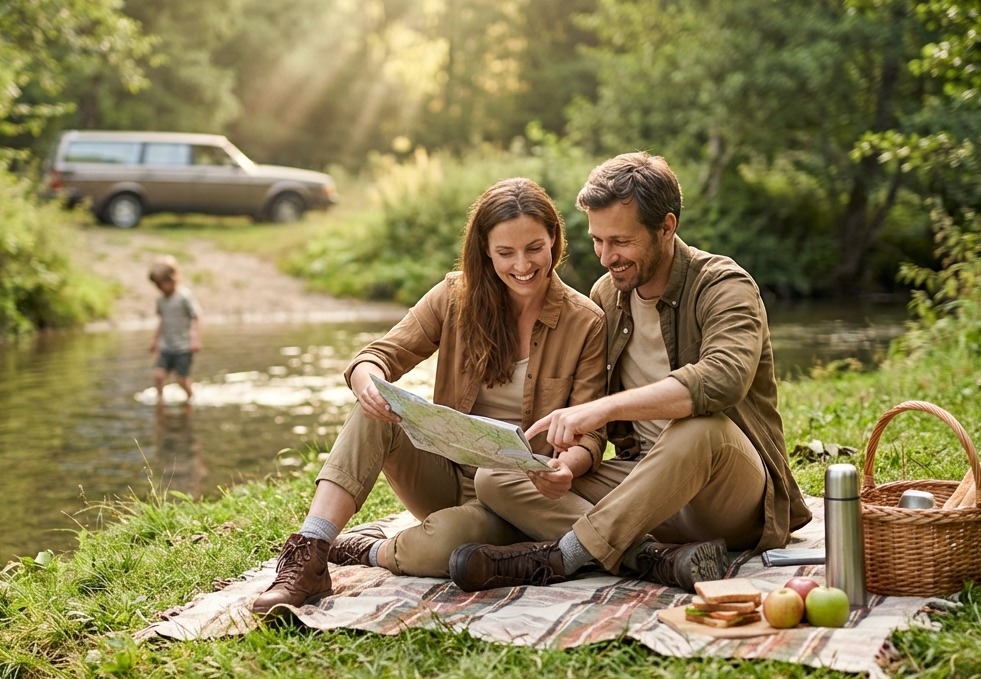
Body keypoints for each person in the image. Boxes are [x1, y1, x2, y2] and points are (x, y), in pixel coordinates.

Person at [449, 152, 812, 593]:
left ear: (666, 227)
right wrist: (568, 462)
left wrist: (601, 410)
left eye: (619, 241)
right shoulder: (607, 295)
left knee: (699, 429)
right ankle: (653, 556)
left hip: (727, 494)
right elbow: (588, 421)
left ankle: (564, 556)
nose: (605, 257)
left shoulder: (724, 285)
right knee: (497, 476)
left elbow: (722, 379)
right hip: (642, 485)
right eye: (597, 241)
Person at [251, 178, 608, 615]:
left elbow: (592, 437)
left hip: (511, 495)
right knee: (374, 410)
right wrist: (369, 383)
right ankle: (310, 552)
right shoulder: (454, 297)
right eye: (504, 253)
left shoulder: (586, 321)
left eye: (535, 248)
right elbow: (377, 357)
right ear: (484, 250)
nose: (522, 265)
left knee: (447, 548)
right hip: (441, 473)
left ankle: (365, 551)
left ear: (555, 237)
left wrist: (565, 469)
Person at [148, 256, 202, 402]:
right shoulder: (161, 301)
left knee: (181, 378)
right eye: (157, 285)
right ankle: (160, 400)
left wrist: (195, 339)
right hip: (166, 346)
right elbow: (161, 321)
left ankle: (191, 398)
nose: (160, 288)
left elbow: (196, 316)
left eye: (162, 284)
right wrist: (155, 341)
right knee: (158, 374)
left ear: (173, 279)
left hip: (183, 346)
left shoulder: (184, 296)